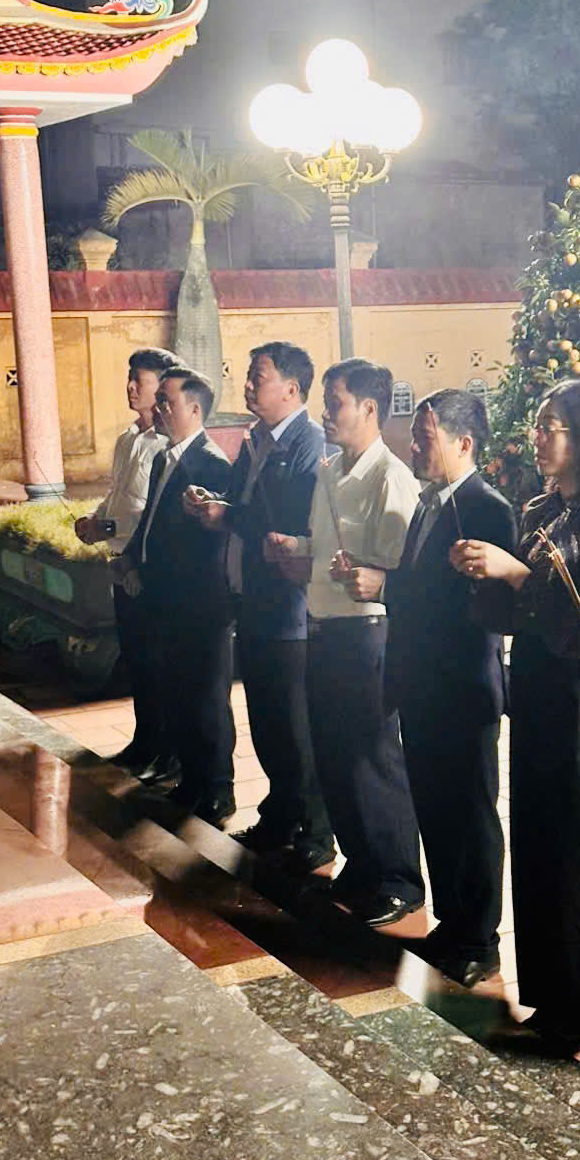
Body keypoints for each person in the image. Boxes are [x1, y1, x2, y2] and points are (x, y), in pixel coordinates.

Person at [451, 378, 580, 1054]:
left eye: (550, 426)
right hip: (533, 686)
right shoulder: (540, 509)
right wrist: (482, 575)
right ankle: (548, 993)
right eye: (536, 424)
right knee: (536, 838)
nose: (537, 437)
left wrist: (515, 575)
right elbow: (514, 617)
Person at [266, 358, 423, 927]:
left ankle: (399, 879)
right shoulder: (330, 472)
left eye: (335, 403)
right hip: (323, 626)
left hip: (367, 632)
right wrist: (297, 550)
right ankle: (362, 864)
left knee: (372, 758)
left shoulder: (391, 477)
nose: (326, 413)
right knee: (332, 754)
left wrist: (361, 571)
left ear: (369, 409)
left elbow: (401, 565)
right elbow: (323, 543)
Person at [184, 342, 333, 873]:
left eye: (258, 377)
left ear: (291, 388)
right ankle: (280, 815)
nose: (247, 385)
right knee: (267, 721)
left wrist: (228, 518)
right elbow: (244, 505)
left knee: (296, 725)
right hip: (252, 597)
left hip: (289, 608)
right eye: (248, 376)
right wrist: (216, 506)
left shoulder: (310, 443)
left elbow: (294, 520)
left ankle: (316, 831)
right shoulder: (256, 441)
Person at [385, 389, 517, 986]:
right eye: (415, 437)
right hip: (420, 682)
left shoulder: (487, 509)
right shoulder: (428, 503)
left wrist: (391, 587)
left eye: (424, 438)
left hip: (461, 686)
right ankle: (451, 919)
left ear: (463, 443)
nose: (414, 447)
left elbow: (490, 605)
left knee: (470, 813)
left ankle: (480, 939)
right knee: (433, 806)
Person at [117, 367, 236, 827]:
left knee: (207, 700)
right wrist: (131, 557)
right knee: (177, 693)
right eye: (159, 400)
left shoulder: (210, 463)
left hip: (199, 603)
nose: (159, 408)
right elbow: (149, 521)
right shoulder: (164, 458)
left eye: (167, 401)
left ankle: (217, 790)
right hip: (163, 599)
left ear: (195, 409)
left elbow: (213, 542)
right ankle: (190, 778)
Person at [76, 347, 181, 780]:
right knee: (136, 659)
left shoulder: (167, 445)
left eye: (142, 380)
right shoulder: (128, 438)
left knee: (159, 664)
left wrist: (113, 529)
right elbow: (118, 494)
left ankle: (168, 753)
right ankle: (144, 743)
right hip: (120, 562)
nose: (131, 387)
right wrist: (95, 520)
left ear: (164, 387)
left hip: (147, 568)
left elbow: (152, 516)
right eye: (130, 378)